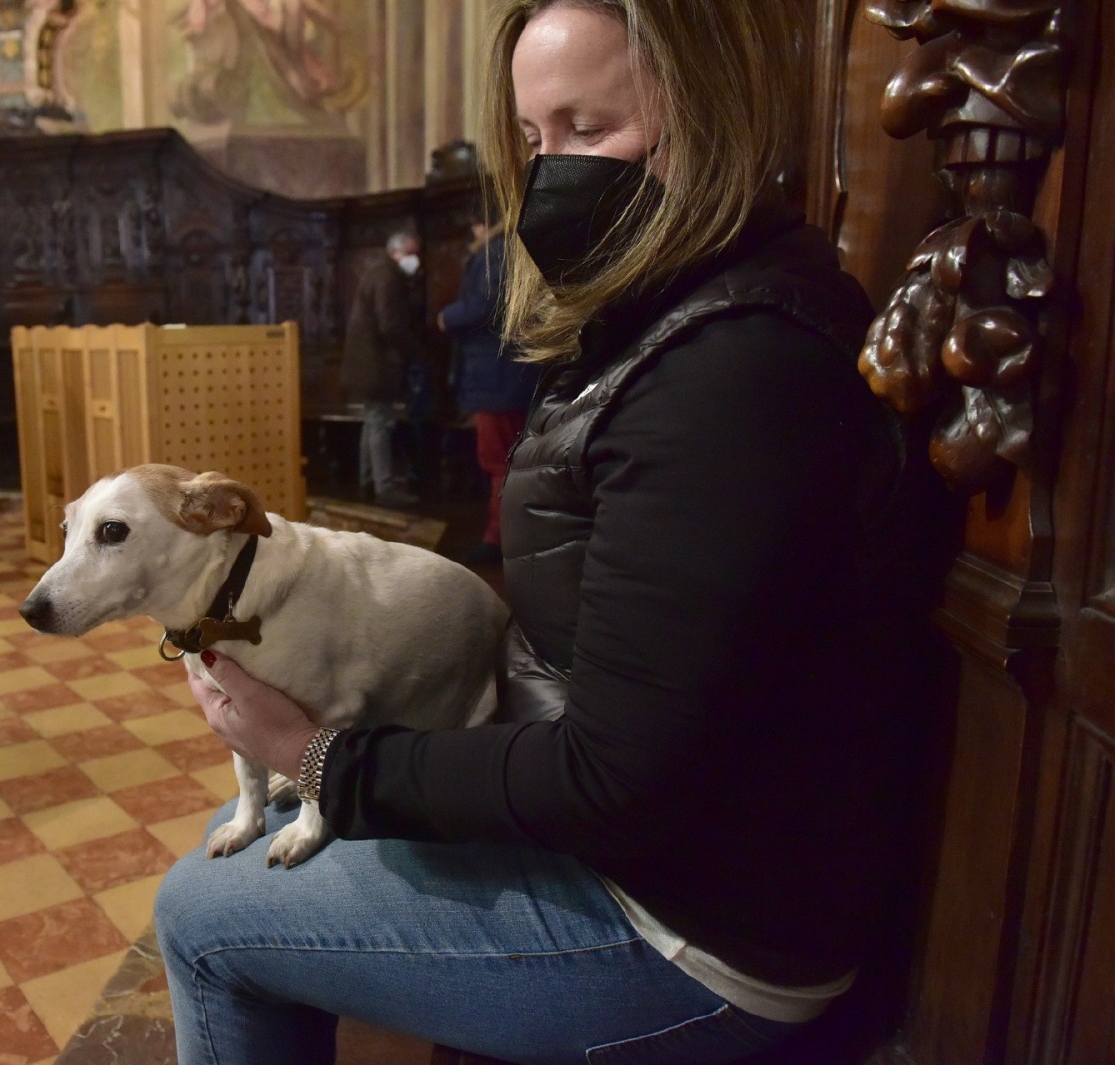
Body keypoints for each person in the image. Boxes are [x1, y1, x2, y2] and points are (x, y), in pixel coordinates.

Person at [153, 2, 948, 1063]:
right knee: (229, 839)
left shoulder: (733, 367)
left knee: (199, 918)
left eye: (590, 127)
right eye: (535, 139)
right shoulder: (679, 317)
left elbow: (617, 782)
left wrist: (320, 756)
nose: (553, 171)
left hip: (703, 930)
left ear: (707, 120)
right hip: (672, 856)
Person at [438, 204, 541, 566]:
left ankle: (498, 539)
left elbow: (488, 303)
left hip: (498, 373)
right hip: (507, 372)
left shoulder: (497, 251)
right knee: (506, 458)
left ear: (482, 224)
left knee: (499, 459)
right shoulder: (513, 247)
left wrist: (448, 316)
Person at [340, 230, 423, 508]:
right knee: (380, 423)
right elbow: (390, 325)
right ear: (395, 252)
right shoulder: (388, 277)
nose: (415, 259)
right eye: (410, 252)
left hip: (366, 363)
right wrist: (413, 351)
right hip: (377, 364)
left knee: (371, 420)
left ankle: (368, 479)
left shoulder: (379, 273)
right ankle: (384, 487)